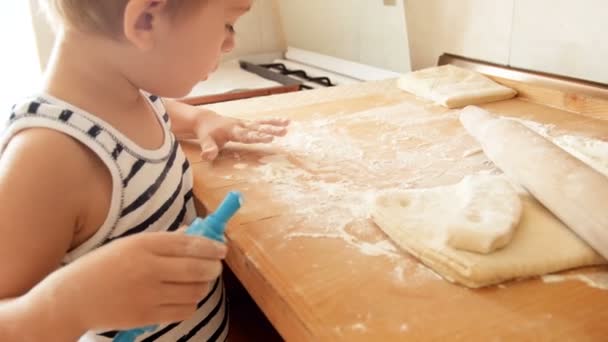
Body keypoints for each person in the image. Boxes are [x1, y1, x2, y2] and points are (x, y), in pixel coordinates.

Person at [0, 0, 289, 340]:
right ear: (146, 20)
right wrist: (70, 303)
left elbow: (161, 108)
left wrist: (199, 119)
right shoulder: (50, 158)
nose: (230, 44)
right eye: (228, 23)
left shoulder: (130, 93)